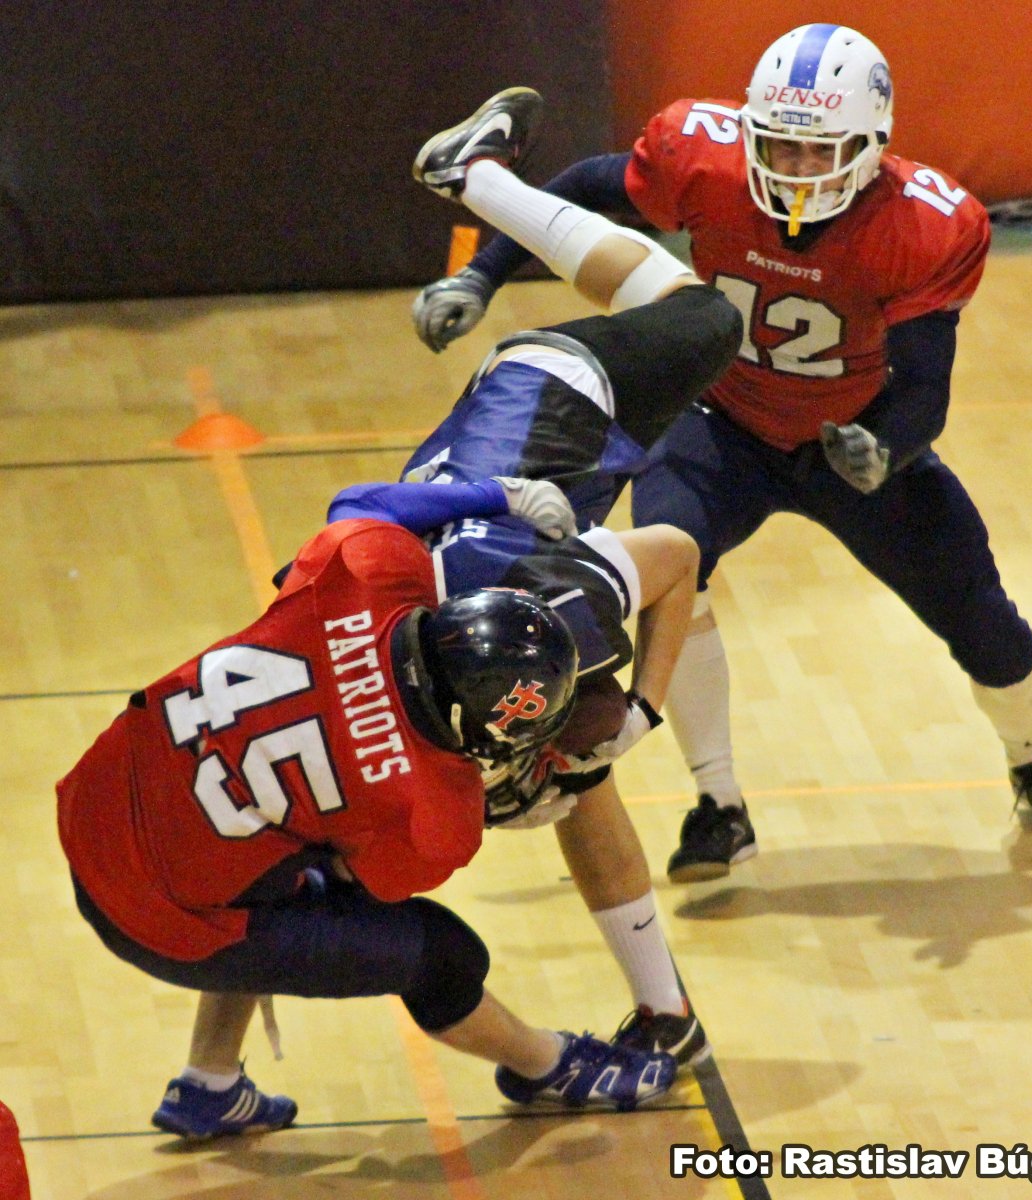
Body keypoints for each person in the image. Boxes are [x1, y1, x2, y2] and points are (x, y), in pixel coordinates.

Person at [107, 87, 742, 1141]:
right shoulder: (359, 596)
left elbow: (675, 558)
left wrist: (637, 715)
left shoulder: (559, 601)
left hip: (545, 404)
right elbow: (351, 525)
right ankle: (475, 181)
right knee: (539, 792)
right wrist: (547, 770)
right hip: (414, 573)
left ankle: (479, 184)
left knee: (703, 317)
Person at [411, 25, 1032, 886]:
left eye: (820, 152)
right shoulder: (705, 159)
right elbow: (587, 186)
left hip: (845, 442)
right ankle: (718, 802)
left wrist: (882, 450)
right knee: (673, 583)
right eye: (780, 145)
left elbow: (924, 388)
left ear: (870, 145)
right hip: (718, 422)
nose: (797, 169)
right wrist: (479, 276)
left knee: (984, 623)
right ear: (750, 130)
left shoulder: (926, 223)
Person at [57, 473, 683, 1140]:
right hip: (153, 916)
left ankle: (209, 1085)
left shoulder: (365, 569)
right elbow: (368, 879)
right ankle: (548, 1067)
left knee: (270, 853)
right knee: (440, 955)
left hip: (103, 794)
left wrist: (501, 494)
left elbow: (363, 503)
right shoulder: (434, 813)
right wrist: (490, 806)